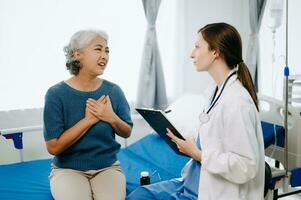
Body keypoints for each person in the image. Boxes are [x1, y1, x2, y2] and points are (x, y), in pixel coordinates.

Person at [127, 22, 265, 200]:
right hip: (194, 181)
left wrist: (198, 154)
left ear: (215, 52)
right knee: (140, 194)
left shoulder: (237, 102)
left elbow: (246, 166)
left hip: (213, 191)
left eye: (197, 47)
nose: (192, 54)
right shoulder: (215, 91)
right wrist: (190, 146)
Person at [43, 29, 133, 200]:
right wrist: (89, 120)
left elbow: (126, 131)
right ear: (78, 54)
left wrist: (111, 117)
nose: (105, 55)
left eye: (107, 50)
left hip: (108, 168)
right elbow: (53, 147)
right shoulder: (56, 94)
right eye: (98, 49)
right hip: (68, 170)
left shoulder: (114, 91)